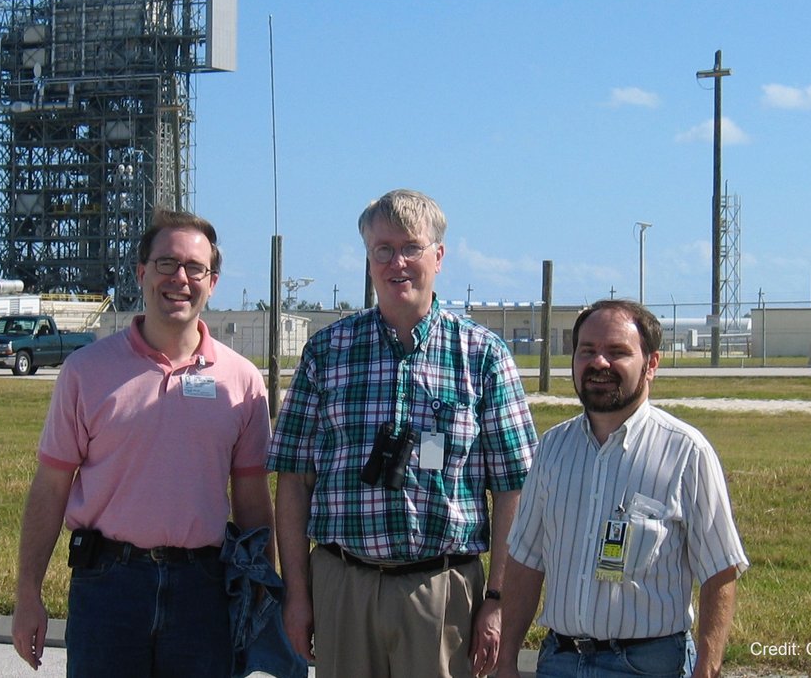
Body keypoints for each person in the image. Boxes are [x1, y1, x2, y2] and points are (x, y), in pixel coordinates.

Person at [268, 188, 538, 678]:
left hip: (443, 592)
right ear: (368, 259)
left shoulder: (482, 356)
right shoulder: (326, 353)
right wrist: (298, 594)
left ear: (439, 256)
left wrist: (497, 599)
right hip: (343, 585)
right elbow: (293, 480)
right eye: (383, 250)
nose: (398, 263)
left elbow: (514, 489)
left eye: (412, 247)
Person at [11, 210, 275, 676]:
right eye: (166, 263)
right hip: (109, 586)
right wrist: (27, 593)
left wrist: (268, 592)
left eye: (195, 268)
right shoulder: (86, 371)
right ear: (141, 273)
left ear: (212, 283)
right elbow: (51, 486)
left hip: (203, 591)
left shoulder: (243, 381)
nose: (180, 279)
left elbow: (253, 499)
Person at [496, 299, 749, 678]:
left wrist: (707, 669)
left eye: (617, 352)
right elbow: (525, 560)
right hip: (560, 661)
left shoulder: (685, 452)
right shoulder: (552, 448)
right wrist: (506, 660)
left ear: (651, 364)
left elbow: (719, 569)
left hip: (648, 665)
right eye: (587, 351)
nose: (599, 363)